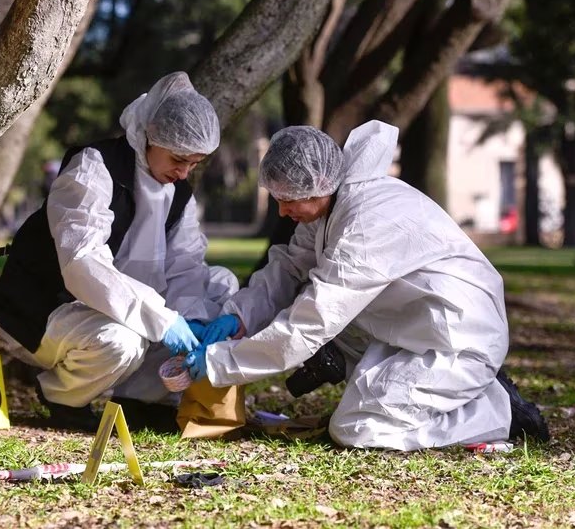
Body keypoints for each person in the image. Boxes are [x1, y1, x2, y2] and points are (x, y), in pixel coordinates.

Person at [185, 122, 549, 451]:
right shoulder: (333, 205)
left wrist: (221, 362)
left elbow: (314, 320)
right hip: (416, 329)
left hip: (458, 340)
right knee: (303, 304)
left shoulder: (365, 222)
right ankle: (443, 392)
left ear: (316, 187)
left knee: (358, 429)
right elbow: (287, 269)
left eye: (286, 200)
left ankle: (496, 411)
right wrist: (238, 318)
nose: (281, 212)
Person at [0, 72, 237, 431]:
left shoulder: (179, 194)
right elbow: (82, 264)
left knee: (217, 291)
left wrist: (191, 318)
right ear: (150, 134)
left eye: (194, 163)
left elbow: (186, 266)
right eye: (178, 158)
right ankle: (63, 397)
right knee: (124, 341)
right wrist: (162, 319)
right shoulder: (94, 167)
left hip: (113, 311)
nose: (183, 172)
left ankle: (140, 400)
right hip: (46, 310)